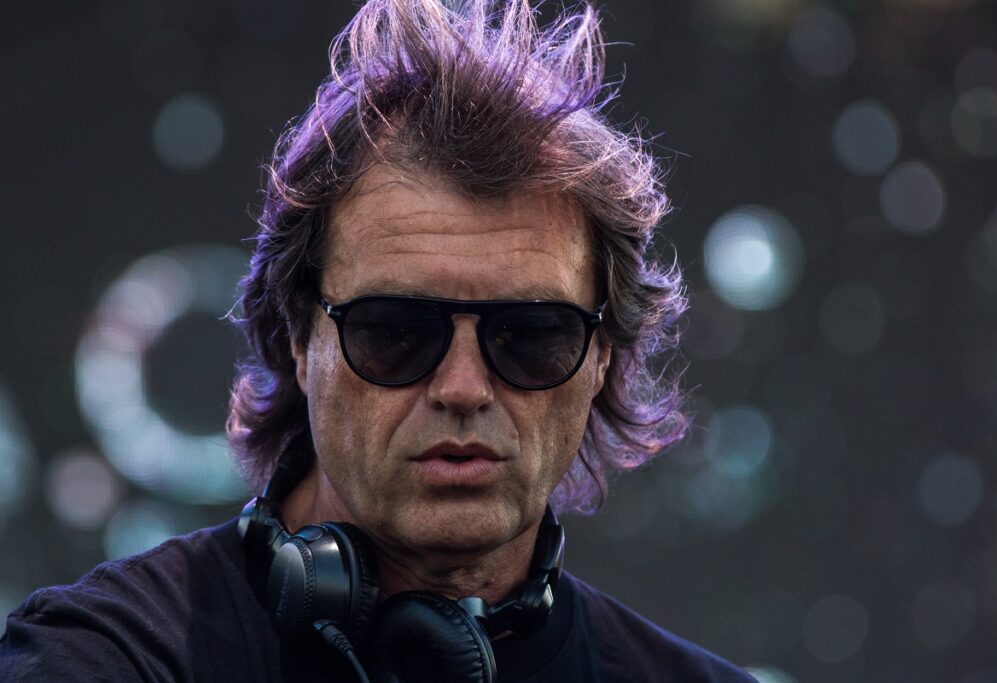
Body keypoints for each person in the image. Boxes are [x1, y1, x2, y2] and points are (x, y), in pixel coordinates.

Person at [0, 1, 756, 681]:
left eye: (531, 336)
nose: (463, 388)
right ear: (299, 339)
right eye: (396, 332)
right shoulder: (101, 657)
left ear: (601, 358)